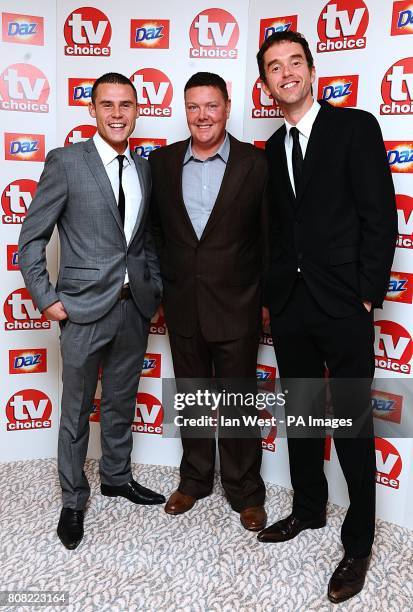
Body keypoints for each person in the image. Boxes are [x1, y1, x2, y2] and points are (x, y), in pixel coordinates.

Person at [255, 31, 397, 603]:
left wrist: (365, 294)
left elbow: (379, 216)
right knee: (306, 417)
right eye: (274, 67)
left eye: (294, 63)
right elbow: (275, 231)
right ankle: (309, 509)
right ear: (265, 84)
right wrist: (272, 294)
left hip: (343, 304)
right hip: (291, 308)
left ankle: (358, 540)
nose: (285, 73)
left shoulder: (354, 127)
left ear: (311, 71)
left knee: (353, 425)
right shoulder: (271, 146)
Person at [18, 72, 165, 551]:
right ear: (93, 111)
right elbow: (30, 241)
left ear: (137, 110)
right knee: (77, 410)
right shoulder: (66, 162)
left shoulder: (145, 168)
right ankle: (72, 499)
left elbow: (145, 242)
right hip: (81, 310)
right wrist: (49, 301)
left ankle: (116, 477)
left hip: (133, 309)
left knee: (120, 402)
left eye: (126, 104)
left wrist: (154, 290)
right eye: (108, 104)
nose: (117, 113)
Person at [149, 72, 269, 531]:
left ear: (227, 107)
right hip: (182, 302)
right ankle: (195, 480)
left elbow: (267, 237)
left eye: (211, 106)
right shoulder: (160, 163)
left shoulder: (254, 164)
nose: (203, 115)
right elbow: (156, 233)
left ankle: (246, 492)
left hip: (237, 303)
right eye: (194, 107)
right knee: (193, 396)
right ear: (185, 110)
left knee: (237, 399)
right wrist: (163, 286)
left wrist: (264, 299)